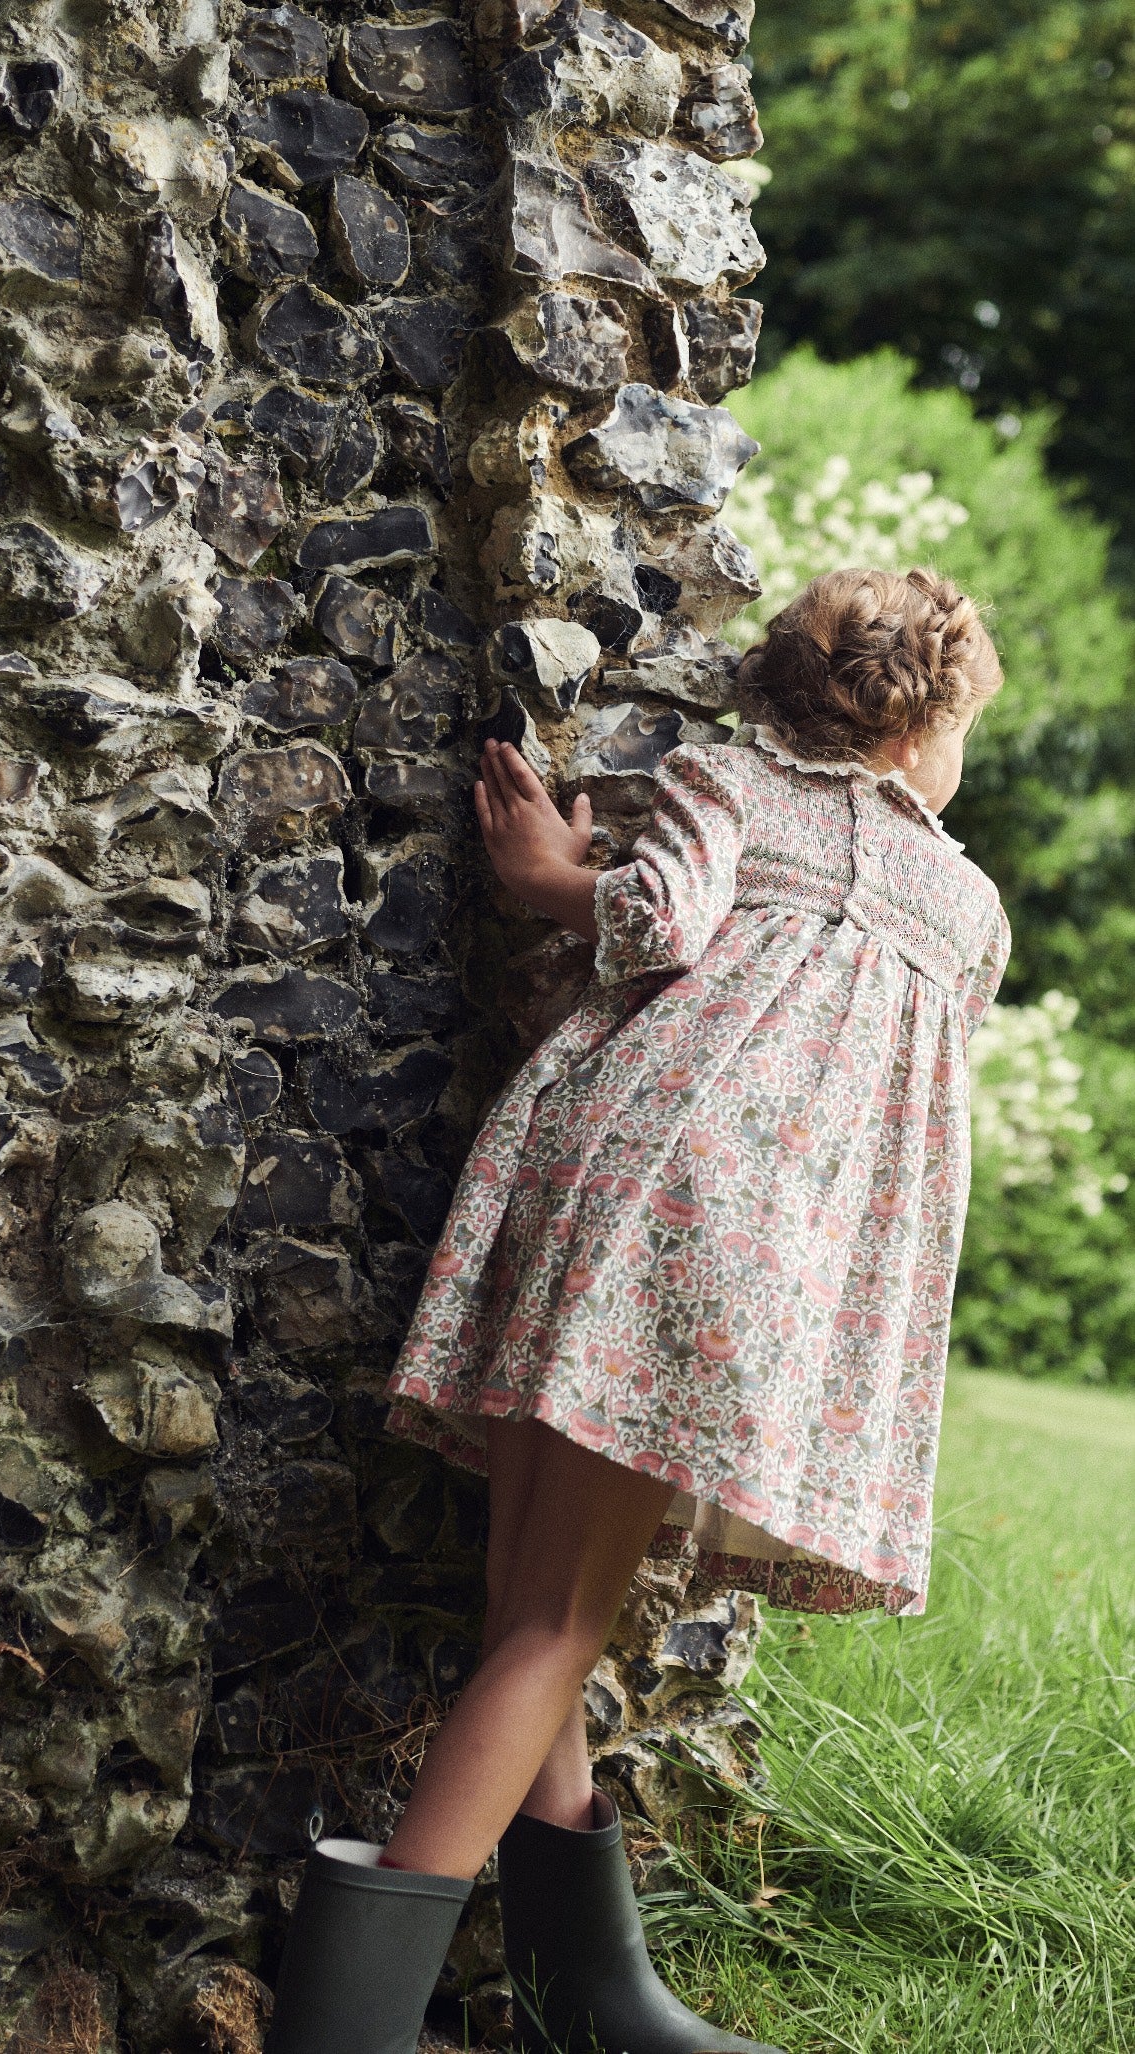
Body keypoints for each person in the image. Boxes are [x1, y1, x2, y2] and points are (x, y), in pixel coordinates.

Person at [262, 567, 1010, 2054]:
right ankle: (338, 2037)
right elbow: (858, 1080)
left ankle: (585, 1994)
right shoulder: (966, 907)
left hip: (593, 1187)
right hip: (721, 1260)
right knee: (556, 1621)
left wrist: (551, 874)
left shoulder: (723, 775)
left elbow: (664, 919)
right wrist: (562, 888)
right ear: (922, 725)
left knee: (524, 1605)